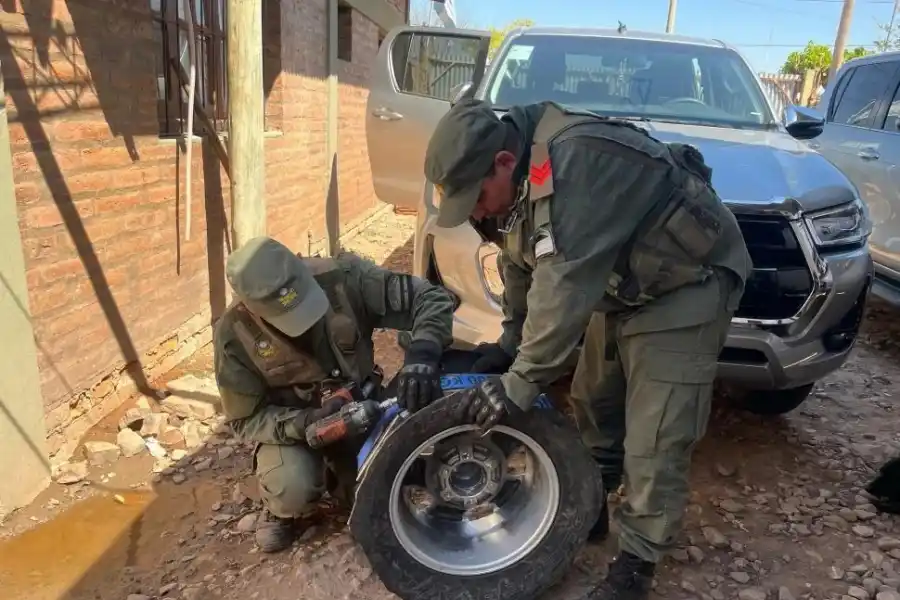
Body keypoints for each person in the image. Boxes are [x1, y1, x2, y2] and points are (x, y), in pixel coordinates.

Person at [425, 98, 753, 600]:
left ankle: (637, 564)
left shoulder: (574, 163)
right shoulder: (512, 183)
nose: (475, 211)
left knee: (657, 430)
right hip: (621, 281)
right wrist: (512, 342)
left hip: (687, 282)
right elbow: (520, 262)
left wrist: (520, 381)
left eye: (476, 196)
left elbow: (563, 288)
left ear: (504, 163)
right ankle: (594, 501)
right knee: (594, 399)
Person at [213, 236, 455, 553]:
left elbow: (432, 299)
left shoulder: (343, 279)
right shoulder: (234, 334)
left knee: (375, 495)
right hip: (299, 431)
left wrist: (422, 356)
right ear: (250, 306)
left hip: (364, 410)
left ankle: (342, 474)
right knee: (292, 489)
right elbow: (246, 420)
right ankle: (281, 507)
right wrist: (308, 422)